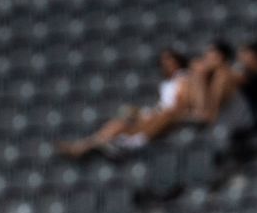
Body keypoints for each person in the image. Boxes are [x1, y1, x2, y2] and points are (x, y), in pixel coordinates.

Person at [59, 48, 194, 159]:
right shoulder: (166, 83)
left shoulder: (183, 78)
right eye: (163, 61)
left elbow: (179, 104)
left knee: (162, 115)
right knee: (120, 119)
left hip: (169, 117)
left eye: (169, 60)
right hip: (157, 113)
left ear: (177, 61)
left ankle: (131, 143)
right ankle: (84, 146)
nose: (165, 64)